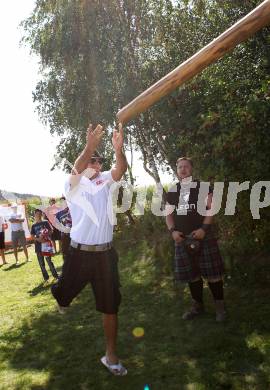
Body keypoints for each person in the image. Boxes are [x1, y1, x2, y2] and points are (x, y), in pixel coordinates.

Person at [51, 123, 128, 376]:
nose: (96, 164)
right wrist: (89, 146)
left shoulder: (105, 180)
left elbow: (120, 169)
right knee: (64, 297)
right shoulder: (72, 185)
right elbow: (76, 167)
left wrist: (119, 149)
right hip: (78, 255)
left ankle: (111, 356)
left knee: (110, 305)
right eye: (91, 161)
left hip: (105, 255)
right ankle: (61, 295)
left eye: (98, 161)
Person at [166, 157, 225, 322]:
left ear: (192, 169)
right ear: (177, 170)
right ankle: (198, 306)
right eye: (180, 167)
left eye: (186, 166)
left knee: (213, 274)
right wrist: (173, 232)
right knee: (192, 275)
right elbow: (168, 214)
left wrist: (204, 229)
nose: (183, 169)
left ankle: (220, 308)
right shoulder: (173, 190)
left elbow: (211, 209)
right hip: (182, 238)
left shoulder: (203, 187)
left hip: (203, 236)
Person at [31, 209, 59, 284]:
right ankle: (46, 279)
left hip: (46, 245)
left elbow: (51, 230)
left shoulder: (45, 222)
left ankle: (56, 276)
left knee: (49, 262)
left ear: (41, 214)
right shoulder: (33, 225)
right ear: (35, 215)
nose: (38, 215)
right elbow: (32, 236)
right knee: (41, 264)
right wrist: (38, 239)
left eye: (39, 214)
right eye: (37, 214)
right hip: (38, 247)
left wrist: (45, 235)